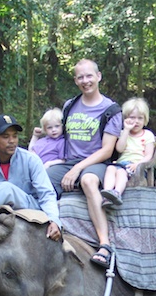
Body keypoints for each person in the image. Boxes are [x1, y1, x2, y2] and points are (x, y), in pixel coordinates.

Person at [47, 59, 124, 268]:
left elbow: (107, 149)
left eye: (89, 76)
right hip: (69, 161)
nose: (85, 81)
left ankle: (104, 245)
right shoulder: (70, 105)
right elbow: (60, 134)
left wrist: (78, 169)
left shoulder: (111, 110)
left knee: (89, 181)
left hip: (97, 163)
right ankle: (45, 230)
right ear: (75, 80)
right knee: (42, 178)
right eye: (80, 77)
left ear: (98, 76)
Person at [101, 98, 156, 208]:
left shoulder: (148, 135)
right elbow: (120, 149)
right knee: (110, 169)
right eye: (132, 117)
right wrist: (126, 130)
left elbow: (149, 155)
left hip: (137, 168)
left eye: (140, 118)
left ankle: (117, 193)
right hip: (121, 164)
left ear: (145, 119)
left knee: (121, 173)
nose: (136, 121)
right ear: (125, 118)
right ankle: (107, 193)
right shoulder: (123, 133)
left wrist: (138, 164)